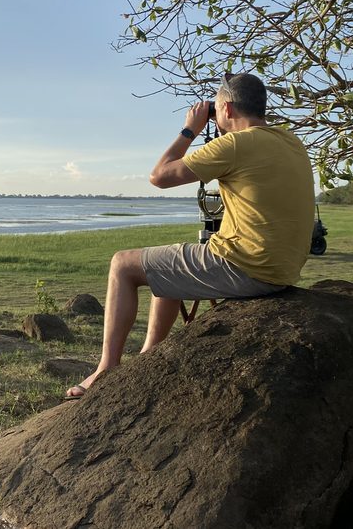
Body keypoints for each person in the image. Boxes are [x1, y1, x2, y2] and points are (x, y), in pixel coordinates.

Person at [65, 72, 315, 400]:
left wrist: (190, 129)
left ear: (225, 109)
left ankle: (106, 368)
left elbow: (160, 176)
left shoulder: (236, 144)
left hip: (247, 266)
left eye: (217, 108)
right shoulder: (289, 140)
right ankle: (148, 358)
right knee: (165, 265)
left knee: (123, 264)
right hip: (282, 268)